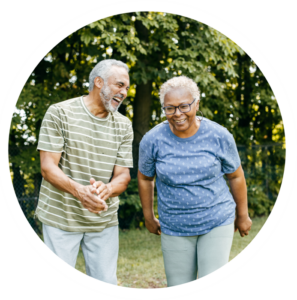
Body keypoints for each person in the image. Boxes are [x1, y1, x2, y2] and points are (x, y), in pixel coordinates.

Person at [138, 76, 252, 286]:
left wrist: (242, 215)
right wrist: (148, 216)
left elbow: (235, 176)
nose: (177, 114)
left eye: (184, 106)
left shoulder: (219, 135)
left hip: (216, 220)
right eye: (170, 108)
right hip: (174, 226)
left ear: (197, 104)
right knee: (178, 286)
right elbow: (145, 178)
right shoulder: (152, 140)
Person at [35, 59, 133, 285]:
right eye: (119, 85)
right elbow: (48, 167)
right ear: (99, 82)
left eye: (126, 87)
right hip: (61, 217)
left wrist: (107, 189)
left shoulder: (123, 125)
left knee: (106, 284)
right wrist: (81, 192)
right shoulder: (60, 112)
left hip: (103, 220)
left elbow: (123, 176)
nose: (124, 92)